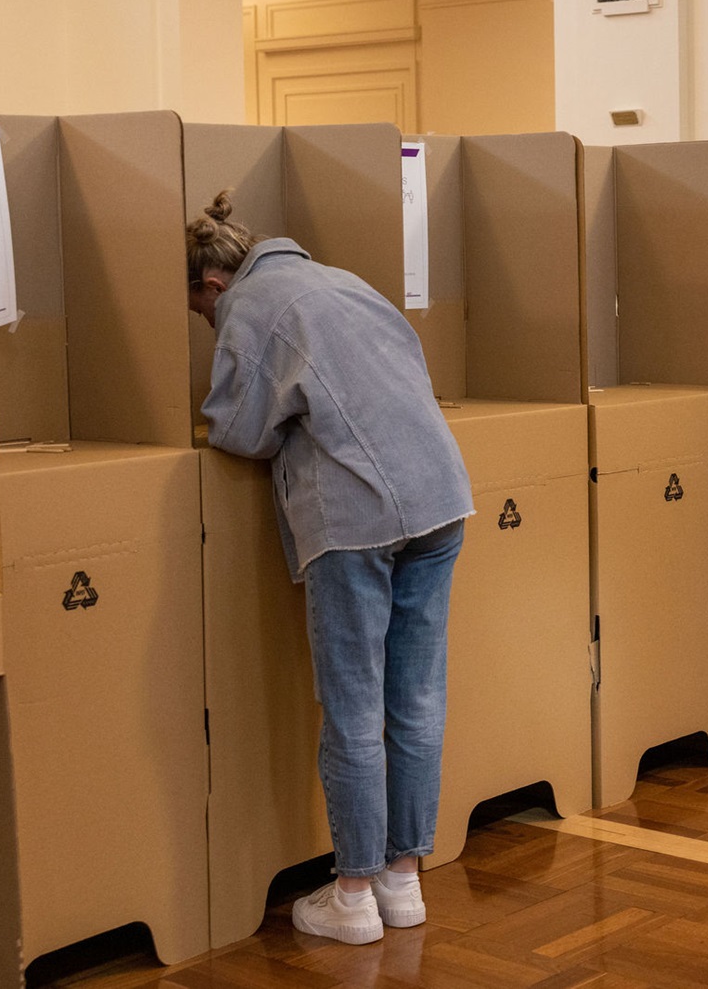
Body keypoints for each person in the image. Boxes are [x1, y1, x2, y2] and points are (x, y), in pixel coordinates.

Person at [187, 192, 473, 943]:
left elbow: (238, 429)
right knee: (414, 698)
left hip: (359, 514)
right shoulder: (344, 280)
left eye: (199, 314)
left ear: (213, 286)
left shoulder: (250, 304)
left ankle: (350, 894)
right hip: (441, 494)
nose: (208, 327)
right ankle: (402, 880)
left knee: (352, 705)